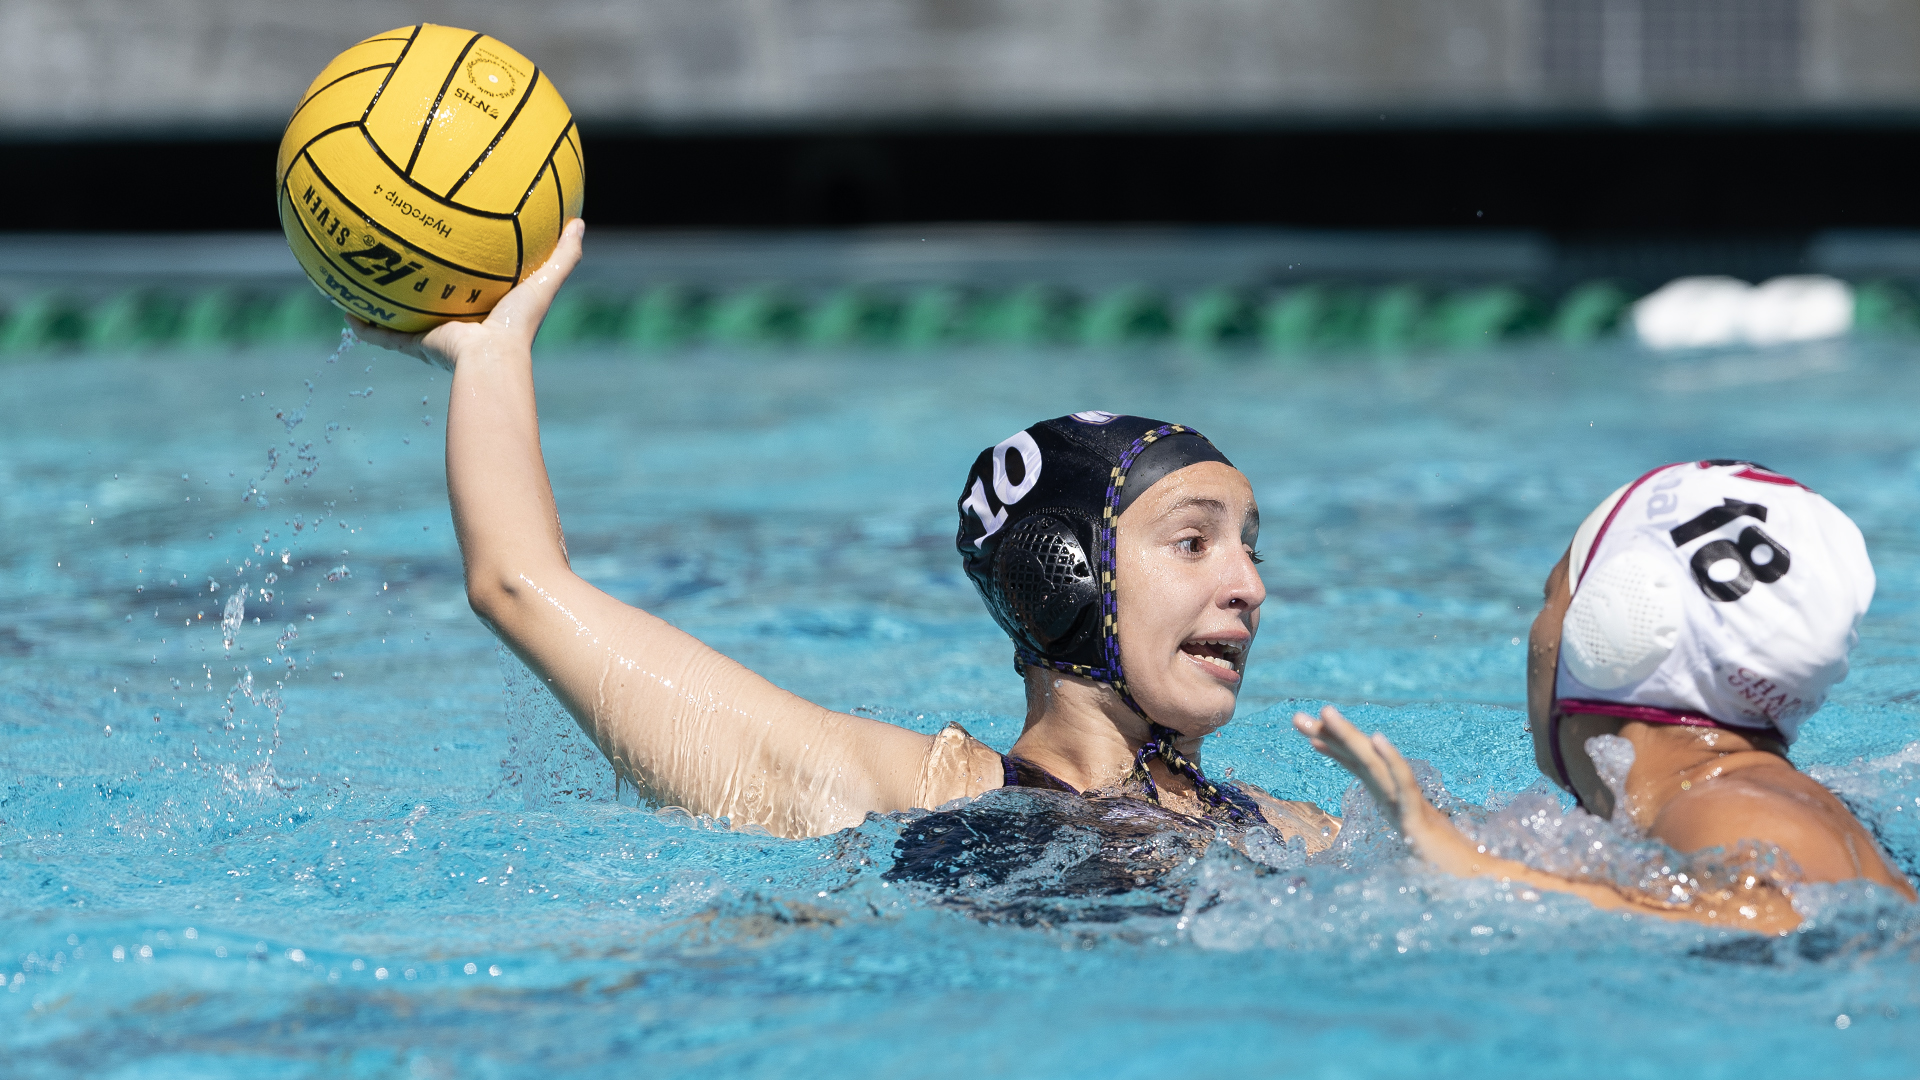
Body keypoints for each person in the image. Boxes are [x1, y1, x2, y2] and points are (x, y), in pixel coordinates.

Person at [353, 219, 1337, 846]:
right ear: (1063, 575)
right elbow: (520, 587)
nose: (1251, 586)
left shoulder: (1299, 834)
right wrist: (491, 357)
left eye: (1251, 547)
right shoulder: (905, 794)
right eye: (1195, 542)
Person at [1295, 459, 1915, 932]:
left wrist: (1472, 868)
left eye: (1551, 597)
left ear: (1612, 628)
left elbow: (1774, 917)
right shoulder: (1741, 796)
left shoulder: (1728, 810)